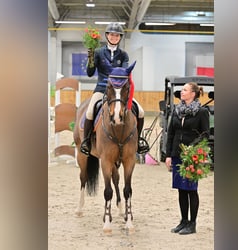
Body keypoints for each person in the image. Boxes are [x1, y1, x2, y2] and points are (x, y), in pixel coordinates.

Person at [80, 22, 149, 156]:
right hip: (102, 88)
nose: (114, 37)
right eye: (112, 35)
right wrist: (91, 59)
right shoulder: (99, 52)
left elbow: (123, 71)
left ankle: (138, 141)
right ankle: (87, 141)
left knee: (140, 111)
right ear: (107, 36)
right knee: (90, 111)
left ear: (120, 38)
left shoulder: (123, 54)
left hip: (119, 90)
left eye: (117, 35)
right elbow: (89, 73)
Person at [165, 82, 210, 235]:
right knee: (181, 189)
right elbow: (171, 133)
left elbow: (205, 134)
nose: (182, 92)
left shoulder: (202, 112)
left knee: (191, 189)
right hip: (177, 154)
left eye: (185, 90)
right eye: (182, 90)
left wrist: (192, 150)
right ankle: (183, 221)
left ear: (193, 94)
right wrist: (169, 155)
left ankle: (192, 223)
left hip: (192, 156)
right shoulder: (176, 111)